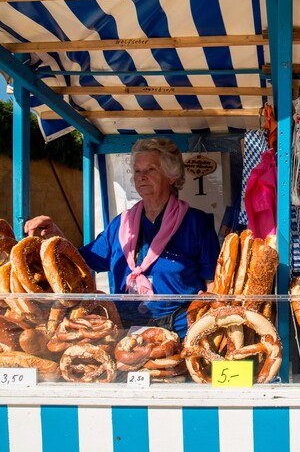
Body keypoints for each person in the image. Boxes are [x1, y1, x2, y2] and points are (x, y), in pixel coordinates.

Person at [24, 138, 220, 338]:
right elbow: (81, 262)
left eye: (150, 170)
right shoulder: (121, 224)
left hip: (180, 329)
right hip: (125, 329)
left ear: (172, 176)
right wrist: (55, 237)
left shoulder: (196, 223)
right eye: (137, 171)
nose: (141, 177)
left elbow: (212, 283)